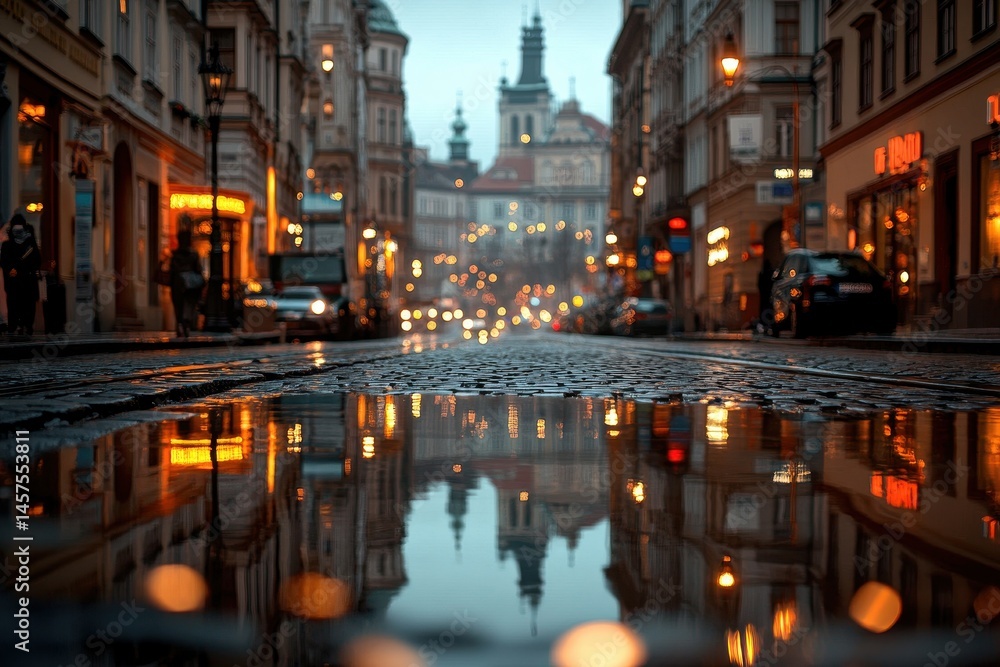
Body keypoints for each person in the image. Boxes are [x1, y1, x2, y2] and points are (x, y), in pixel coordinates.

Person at [0, 214, 41, 335]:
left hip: (24, 281)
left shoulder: (29, 243)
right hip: (16, 282)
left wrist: (13, 270)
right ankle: (20, 326)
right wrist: (10, 270)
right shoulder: (25, 243)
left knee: (22, 306)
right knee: (17, 306)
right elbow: (4, 261)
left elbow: (36, 261)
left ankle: (22, 326)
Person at [168, 229, 203, 338]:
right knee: (189, 304)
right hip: (191, 284)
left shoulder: (175, 255)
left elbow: (172, 269)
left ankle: (179, 324)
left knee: (178, 305)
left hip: (177, 283)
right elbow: (198, 269)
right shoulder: (193, 254)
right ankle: (186, 324)